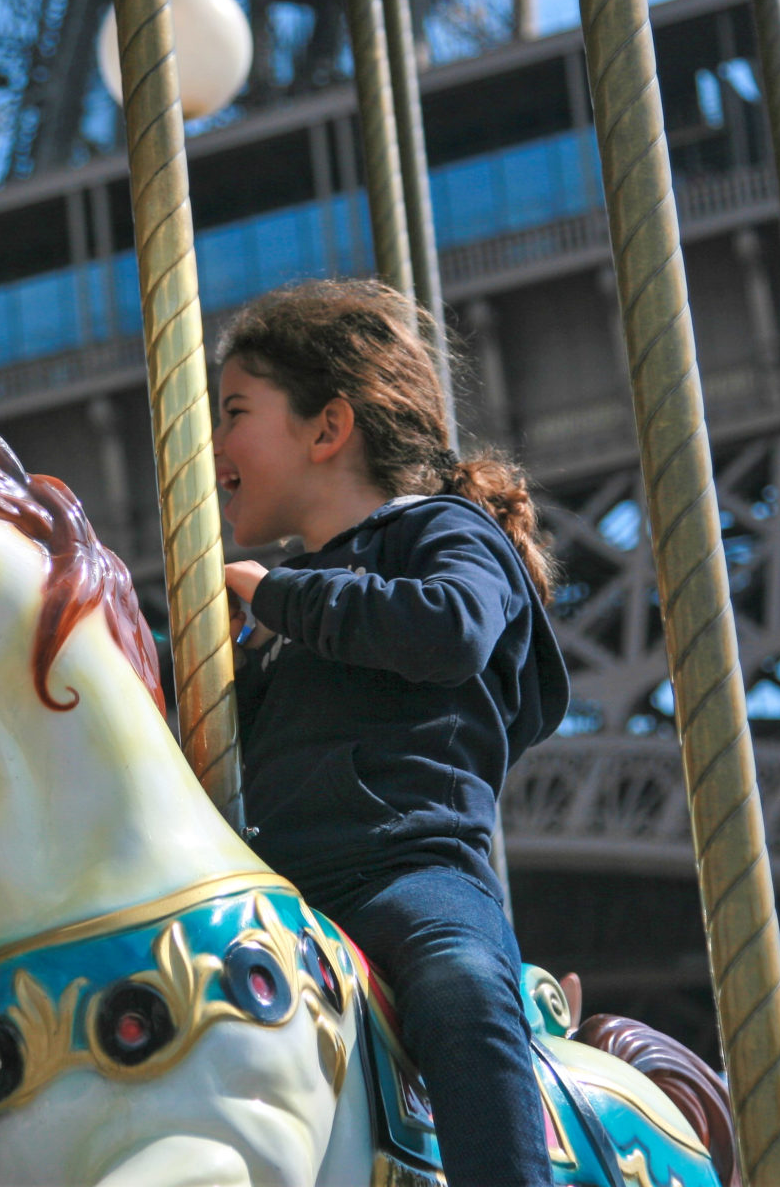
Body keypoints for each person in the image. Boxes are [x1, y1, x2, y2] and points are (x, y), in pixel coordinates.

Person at [213, 279, 568, 1187]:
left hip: (407, 873)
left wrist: (278, 594)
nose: (210, 447)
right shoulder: (274, 616)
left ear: (328, 428)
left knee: (457, 985)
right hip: (281, 893)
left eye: (234, 412)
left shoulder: (444, 531)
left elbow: (449, 628)